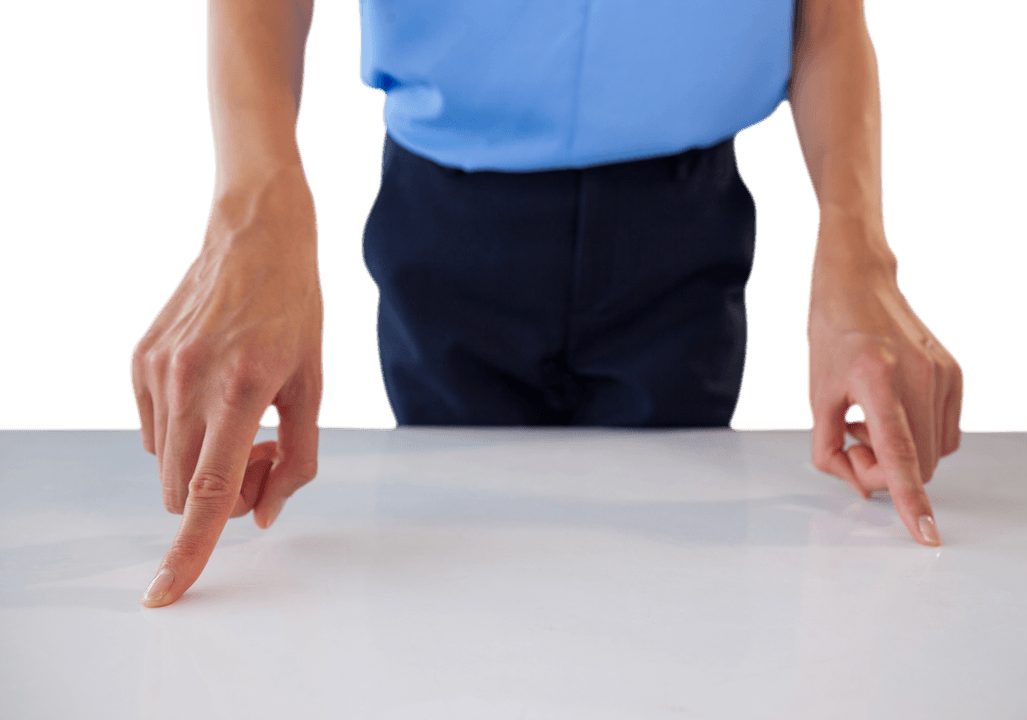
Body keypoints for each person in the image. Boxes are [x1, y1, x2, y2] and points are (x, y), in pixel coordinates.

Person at [131, 0, 965, 608]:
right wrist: (253, 204)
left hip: (683, 229)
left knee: (678, 589)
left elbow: (824, 15)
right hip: (449, 220)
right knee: (453, 576)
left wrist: (859, 251)